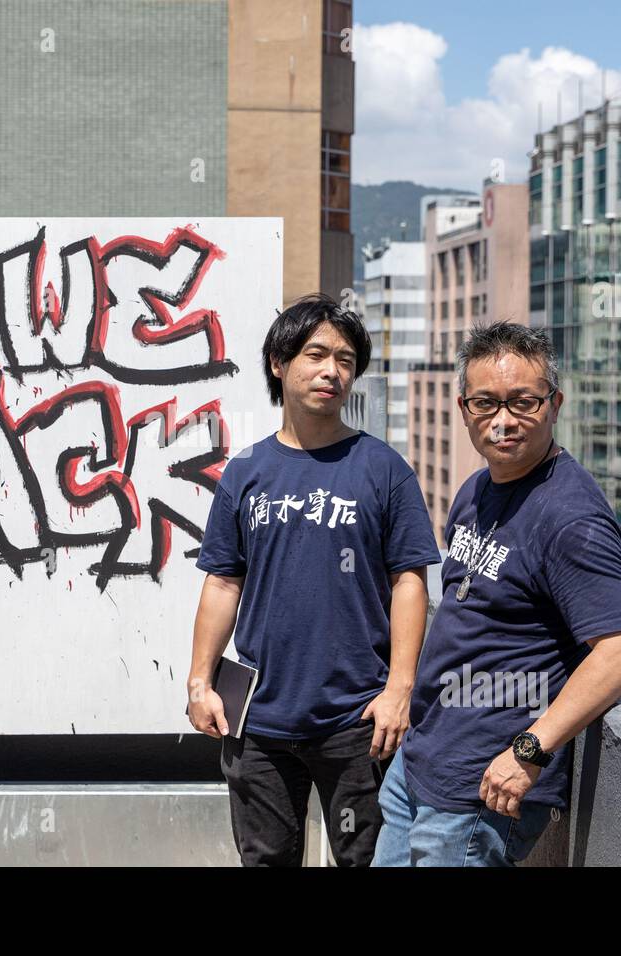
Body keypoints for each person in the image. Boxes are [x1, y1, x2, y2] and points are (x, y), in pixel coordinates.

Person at [372, 320, 621, 867]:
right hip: (424, 759)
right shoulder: (475, 491)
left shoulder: (571, 515)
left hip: (482, 788)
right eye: (486, 403)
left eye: (524, 402)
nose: (503, 420)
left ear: (554, 404)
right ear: (463, 408)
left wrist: (529, 751)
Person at [187, 293, 440, 866]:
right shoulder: (246, 472)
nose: (332, 371)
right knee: (266, 860)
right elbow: (223, 582)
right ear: (279, 363)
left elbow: (410, 581)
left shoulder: (384, 470)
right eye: (316, 354)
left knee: (368, 860)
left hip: (358, 718)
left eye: (346, 360)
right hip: (257, 718)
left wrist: (399, 690)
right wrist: (200, 680)